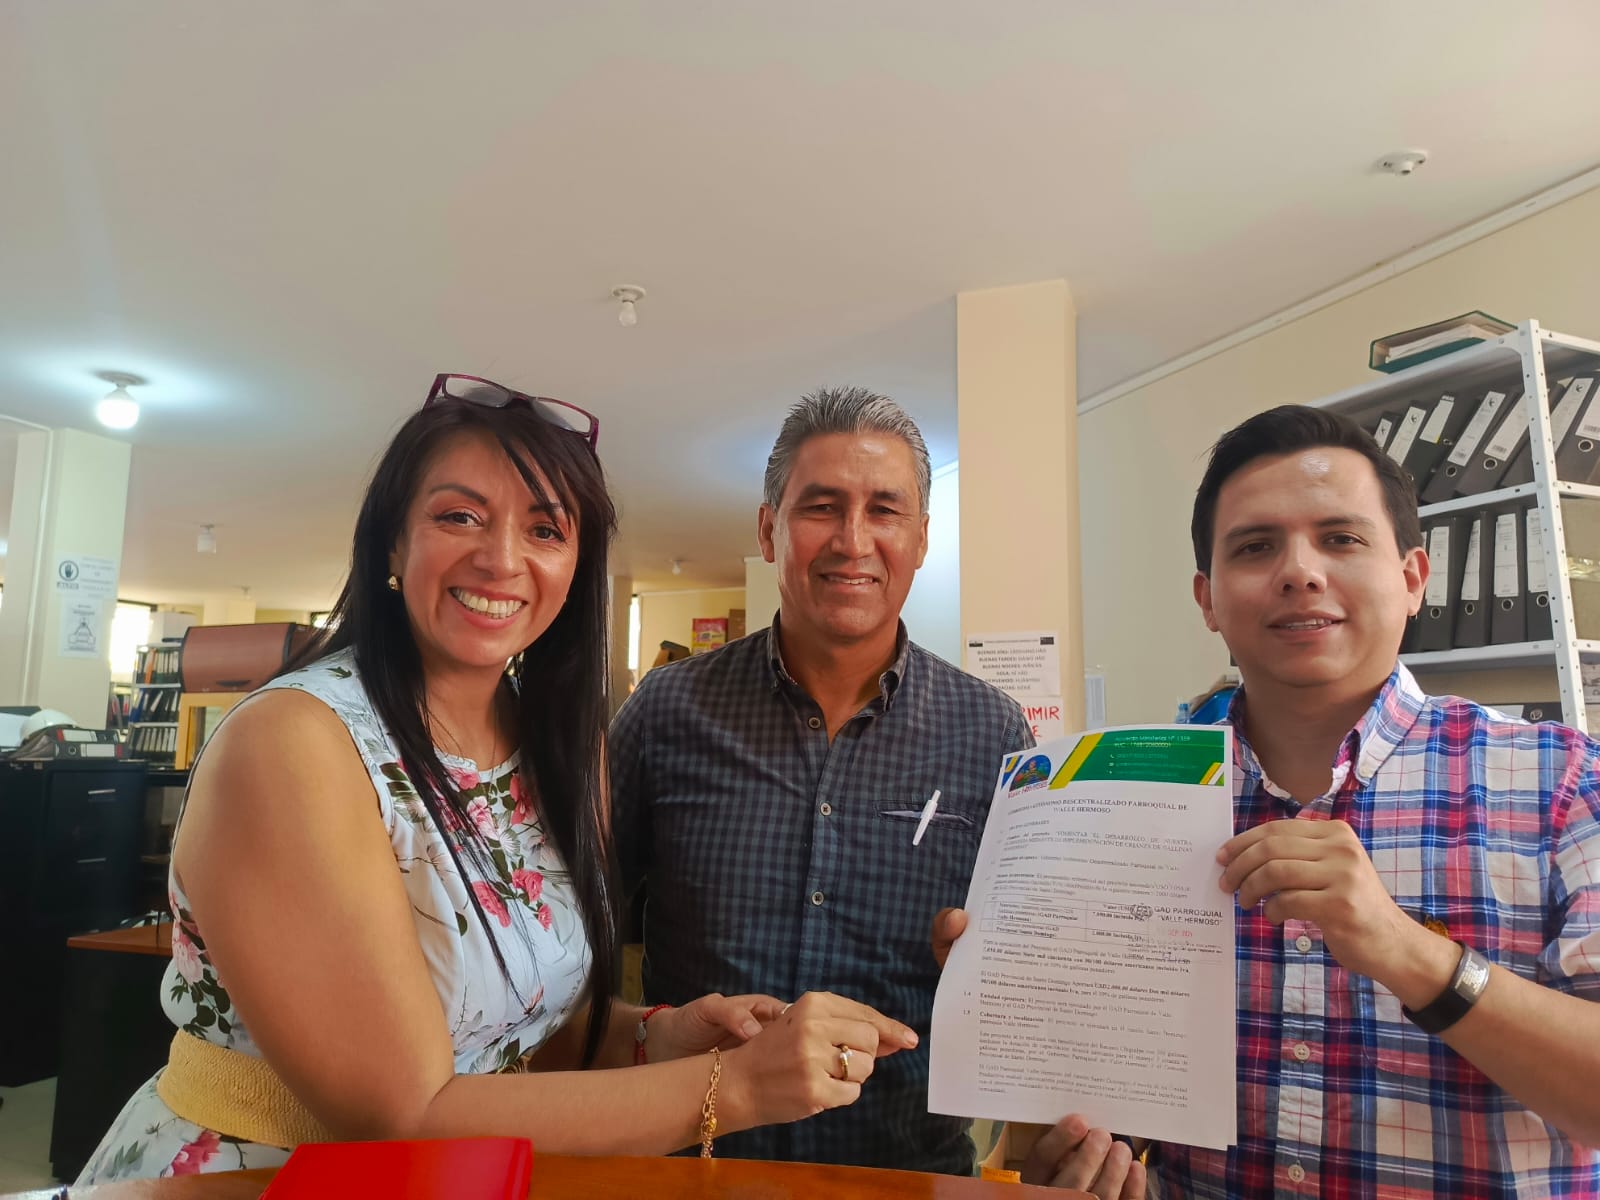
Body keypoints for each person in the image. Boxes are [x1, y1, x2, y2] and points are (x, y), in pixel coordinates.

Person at [80, 374, 915, 1183]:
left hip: (473, 1178)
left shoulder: (551, 744)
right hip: (255, 1174)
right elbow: (402, 1114)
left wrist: (655, 1036)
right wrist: (736, 1089)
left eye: (546, 530)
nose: (501, 558)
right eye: (460, 516)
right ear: (393, 542)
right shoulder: (296, 743)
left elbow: (519, 1027)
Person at [942, 403, 1600, 1197]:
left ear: (1412, 578)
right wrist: (1033, 1043)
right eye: (1255, 547)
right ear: (1208, 599)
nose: (1300, 572)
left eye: (1341, 538)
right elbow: (1097, 1103)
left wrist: (1405, 950)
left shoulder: (1561, 782)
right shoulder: (1124, 807)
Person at [611, 386, 1122, 1180]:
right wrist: (643, 1030)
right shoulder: (667, 711)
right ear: (769, 529)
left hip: (907, 1176)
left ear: (920, 538)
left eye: (885, 510)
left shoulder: (991, 732)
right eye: (822, 507)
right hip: (694, 1169)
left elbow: (1033, 975)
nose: (853, 541)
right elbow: (569, 949)